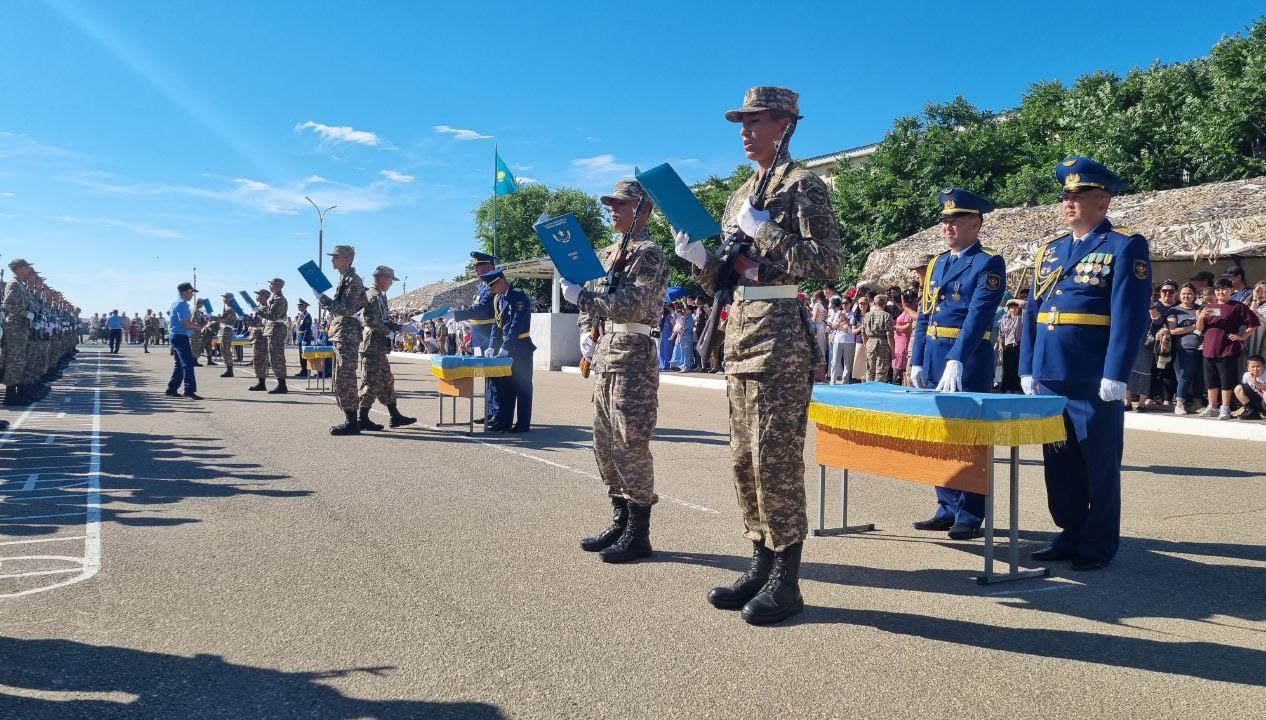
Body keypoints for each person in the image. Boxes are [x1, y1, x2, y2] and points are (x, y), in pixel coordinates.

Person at [674, 86, 842, 625]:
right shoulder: (742, 191)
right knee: (744, 459)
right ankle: (760, 561)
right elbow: (727, 275)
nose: (745, 131)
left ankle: (787, 582)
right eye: (741, 123)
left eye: (756, 121)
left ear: (785, 124)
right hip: (741, 332)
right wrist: (700, 259)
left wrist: (763, 229)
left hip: (781, 339)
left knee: (775, 460)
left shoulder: (803, 185)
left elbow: (828, 263)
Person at [1020, 156, 1151, 571]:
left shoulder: (1124, 245)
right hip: (1051, 373)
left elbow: (1129, 315)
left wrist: (1116, 372)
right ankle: (1069, 531)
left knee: (1099, 461)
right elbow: (1032, 312)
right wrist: (1027, 366)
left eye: (1079, 195)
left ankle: (1097, 543)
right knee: (1059, 462)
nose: (1068, 202)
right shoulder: (1051, 250)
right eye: (1065, 196)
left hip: (1092, 375)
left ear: (1103, 201)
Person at [562, 178, 669, 563]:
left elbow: (632, 303)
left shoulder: (649, 253)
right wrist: (583, 334)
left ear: (643, 209)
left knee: (630, 442)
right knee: (603, 442)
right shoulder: (607, 254)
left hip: (633, 353)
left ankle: (640, 533)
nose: (613, 209)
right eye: (611, 203)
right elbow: (589, 304)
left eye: (621, 204)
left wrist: (585, 297)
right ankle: (621, 519)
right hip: (605, 350)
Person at [908, 188, 1005, 538]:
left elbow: (978, 316)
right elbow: (924, 314)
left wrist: (956, 359)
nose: (947, 227)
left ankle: (970, 513)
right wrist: (916, 358)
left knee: (971, 438)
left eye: (956, 220)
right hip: (934, 355)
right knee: (942, 437)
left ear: (976, 224)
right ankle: (946, 505)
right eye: (944, 220)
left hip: (966, 359)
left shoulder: (987, 262)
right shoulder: (936, 263)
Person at [357, 266, 416, 431]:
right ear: (383, 278)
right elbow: (371, 320)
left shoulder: (380, 296)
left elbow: (382, 320)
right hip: (372, 345)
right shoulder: (373, 296)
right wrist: (390, 333)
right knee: (371, 381)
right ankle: (362, 418)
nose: (391, 283)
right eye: (390, 280)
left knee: (386, 380)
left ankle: (394, 415)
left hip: (377, 344)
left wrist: (400, 327)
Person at [319, 245, 368, 435]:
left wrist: (323, 299)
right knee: (341, 377)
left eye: (336, 257)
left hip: (348, 334)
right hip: (343, 333)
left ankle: (352, 422)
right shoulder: (345, 279)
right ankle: (350, 419)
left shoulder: (353, 280)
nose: (332, 260)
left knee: (345, 377)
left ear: (347, 258)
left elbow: (346, 309)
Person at [1196, 277, 1260, 419]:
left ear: (1231, 290)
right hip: (1208, 349)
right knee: (1210, 380)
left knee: (1226, 379)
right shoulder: (1209, 308)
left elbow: (1253, 323)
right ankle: (1212, 406)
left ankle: (1225, 407)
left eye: (1224, 289)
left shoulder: (1237, 307)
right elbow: (1200, 329)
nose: (1221, 292)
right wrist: (1200, 317)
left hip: (1227, 349)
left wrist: (1242, 337)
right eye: (1218, 290)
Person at [449, 251, 499, 427]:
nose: (476, 270)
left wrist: (457, 314)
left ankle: (496, 413)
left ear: (490, 266)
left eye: (479, 266)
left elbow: (482, 310)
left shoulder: (493, 286)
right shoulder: (483, 287)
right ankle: (489, 412)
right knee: (486, 377)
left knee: (493, 377)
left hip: (489, 337)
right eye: (476, 267)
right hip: (480, 337)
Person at [483, 267, 535, 432]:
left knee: (523, 386)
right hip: (506, 349)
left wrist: (505, 346)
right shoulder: (499, 299)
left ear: (501, 281)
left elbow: (516, 324)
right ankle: (504, 422)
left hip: (520, 347)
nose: (492, 290)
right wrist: (492, 345)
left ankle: (522, 424)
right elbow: (496, 324)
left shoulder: (517, 295)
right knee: (507, 386)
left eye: (493, 286)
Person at [2, 258, 35, 405]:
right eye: (26, 266)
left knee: (20, 361)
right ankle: (10, 396)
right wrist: (25, 313)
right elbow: (8, 304)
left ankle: (18, 392)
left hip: (21, 329)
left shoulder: (20, 284)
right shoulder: (14, 284)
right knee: (14, 362)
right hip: (14, 329)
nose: (28, 269)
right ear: (18, 268)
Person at [1166, 283, 1203, 414]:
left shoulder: (1199, 308)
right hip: (1185, 347)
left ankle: (1197, 403)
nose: (1186, 296)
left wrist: (1199, 320)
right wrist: (1193, 327)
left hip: (1202, 347)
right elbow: (1173, 331)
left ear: (1194, 295)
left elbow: (1202, 327)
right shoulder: (1174, 310)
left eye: (1189, 293)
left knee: (1200, 376)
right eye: (1184, 293)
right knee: (1185, 376)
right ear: (1179, 295)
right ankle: (1180, 403)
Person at [165, 282, 206, 399]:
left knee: (179, 364)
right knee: (188, 364)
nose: (193, 295)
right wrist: (199, 327)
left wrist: (196, 324)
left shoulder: (175, 303)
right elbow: (184, 322)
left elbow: (182, 321)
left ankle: (172, 388)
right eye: (191, 292)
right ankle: (189, 390)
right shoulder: (182, 304)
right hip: (180, 336)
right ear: (185, 292)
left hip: (176, 335)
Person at [260, 278, 290, 393]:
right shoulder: (274, 299)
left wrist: (258, 311)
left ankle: (282, 385)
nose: (270, 286)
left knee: (277, 358)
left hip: (277, 330)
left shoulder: (280, 300)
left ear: (277, 286)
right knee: (274, 358)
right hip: (273, 330)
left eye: (271, 284)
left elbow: (273, 316)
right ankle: (281, 384)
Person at [861, 292, 894, 382]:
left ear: (875, 303)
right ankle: (879, 392)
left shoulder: (866, 315)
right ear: (884, 303)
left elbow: (863, 333)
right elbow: (889, 335)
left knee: (870, 371)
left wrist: (866, 346)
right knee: (881, 372)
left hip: (869, 343)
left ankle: (869, 391)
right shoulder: (887, 316)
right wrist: (893, 350)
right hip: (882, 344)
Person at [244, 289, 271, 390]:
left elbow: (257, 322)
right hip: (258, 336)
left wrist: (245, 319)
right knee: (257, 359)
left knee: (259, 359)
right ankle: (261, 382)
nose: (256, 296)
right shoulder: (260, 307)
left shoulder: (264, 308)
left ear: (263, 296)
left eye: (258, 294)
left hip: (261, 336)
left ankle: (262, 383)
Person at [998, 299, 1024, 392]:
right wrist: (1001, 344)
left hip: (1018, 344)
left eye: (1015, 306)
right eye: (1011, 306)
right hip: (1007, 345)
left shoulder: (1021, 317)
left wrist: (1014, 300)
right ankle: (1006, 388)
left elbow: (1025, 305)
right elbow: (1001, 333)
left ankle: (1017, 388)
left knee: (1017, 366)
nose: (1013, 308)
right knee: (1007, 367)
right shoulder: (1005, 318)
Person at [891, 291, 916, 385]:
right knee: (898, 360)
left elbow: (908, 327)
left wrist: (896, 327)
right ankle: (898, 380)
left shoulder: (907, 313)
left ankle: (898, 380)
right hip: (899, 339)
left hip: (903, 339)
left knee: (901, 361)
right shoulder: (904, 313)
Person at [1235, 354, 1265, 420]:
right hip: (1255, 401)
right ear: (1248, 368)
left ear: (1263, 366)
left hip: (1264, 402)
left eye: (1258, 366)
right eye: (1253, 367)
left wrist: (1256, 383)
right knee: (1238, 388)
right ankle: (1252, 412)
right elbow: (1245, 389)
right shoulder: (1246, 375)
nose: (1255, 369)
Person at [216, 294, 239, 378]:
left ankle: (230, 370)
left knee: (225, 349)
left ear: (229, 299)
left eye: (225, 298)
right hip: (224, 330)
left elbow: (223, 319)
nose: (223, 299)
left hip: (227, 330)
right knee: (223, 349)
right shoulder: (227, 308)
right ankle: (229, 369)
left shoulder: (230, 309)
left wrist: (212, 317)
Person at [293, 299, 314, 378]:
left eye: (300, 305)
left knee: (305, 355)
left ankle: (307, 371)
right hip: (300, 337)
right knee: (301, 355)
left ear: (304, 306)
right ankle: (303, 370)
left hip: (304, 338)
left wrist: (304, 339)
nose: (299, 306)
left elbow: (307, 328)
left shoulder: (307, 315)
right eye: (299, 305)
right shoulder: (301, 315)